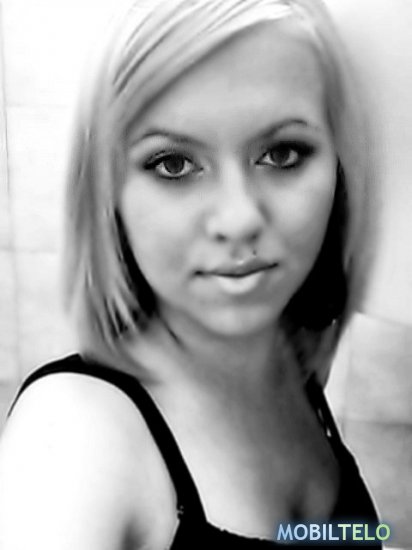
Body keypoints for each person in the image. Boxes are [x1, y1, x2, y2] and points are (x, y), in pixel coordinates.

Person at [0, 0, 380, 548]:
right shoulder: (71, 438)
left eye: (282, 153)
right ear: (108, 192)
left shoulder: (291, 362)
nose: (239, 218)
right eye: (174, 164)